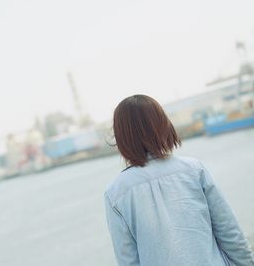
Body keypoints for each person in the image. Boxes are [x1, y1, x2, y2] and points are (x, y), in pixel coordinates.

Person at [104, 94, 254, 266]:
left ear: (122, 137)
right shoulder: (194, 170)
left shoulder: (115, 194)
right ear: (162, 125)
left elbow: (128, 261)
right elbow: (230, 234)